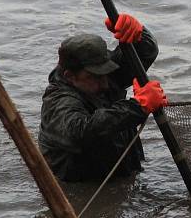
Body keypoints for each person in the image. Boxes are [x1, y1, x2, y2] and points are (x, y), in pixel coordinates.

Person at [38, 13, 168, 182]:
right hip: (82, 185)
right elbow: (80, 131)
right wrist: (138, 106)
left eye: (106, 73)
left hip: (123, 171)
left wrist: (139, 35)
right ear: (70, 76)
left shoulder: (103, 74)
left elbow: (145, 54)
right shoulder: (57, 101)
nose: (106, 83)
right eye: (96, 77)